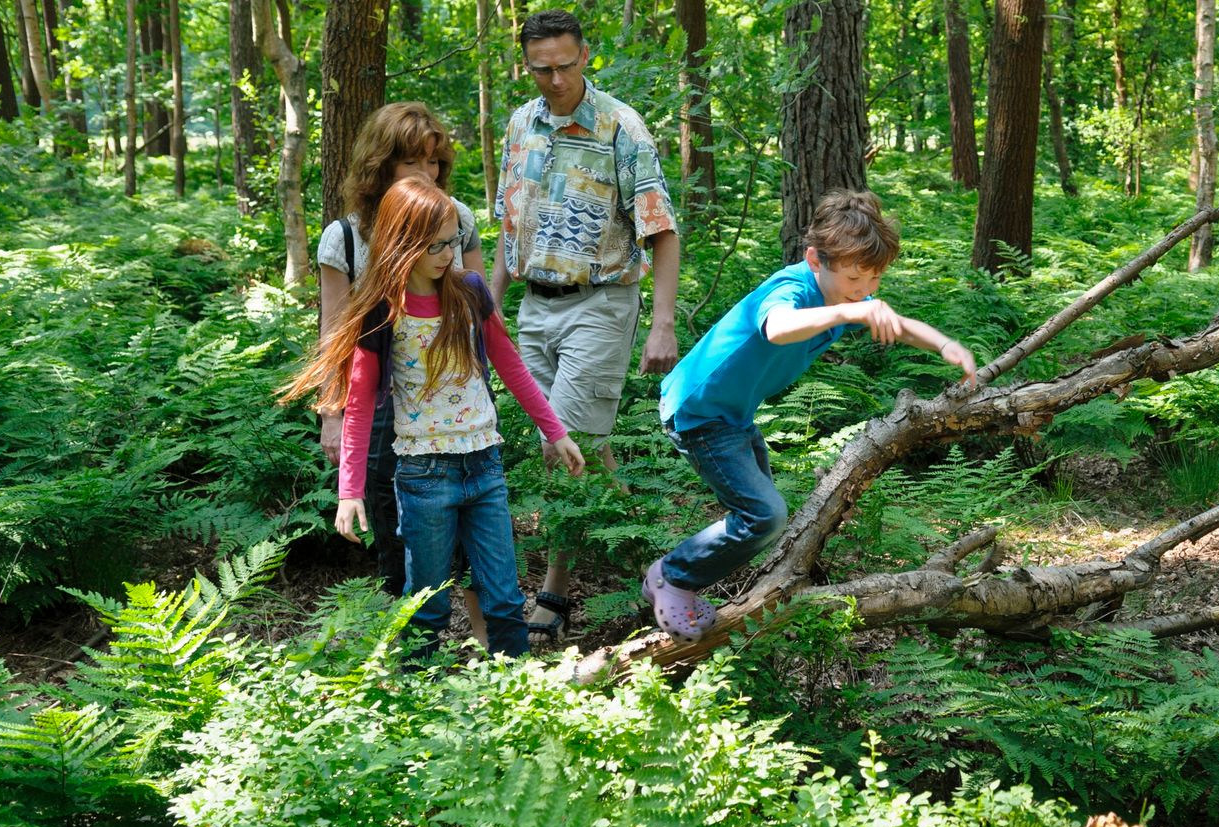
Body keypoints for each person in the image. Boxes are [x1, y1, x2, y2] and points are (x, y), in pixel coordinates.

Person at [648, 191, 977, 641]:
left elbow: (894, 324)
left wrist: (943, 345)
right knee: (763, 517)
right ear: (815, 259)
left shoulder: (843, 296)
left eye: (874, 280)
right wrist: (846, 308)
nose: (863, 290)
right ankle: (673, 577)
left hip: (733, 414)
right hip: (699, 411)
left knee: (762, 521)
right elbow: (776, 327)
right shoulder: (794, 289)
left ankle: (695, 583)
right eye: (854, 278)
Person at [283, 177, 586, 658]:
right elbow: (360, 406)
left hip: (484, 464)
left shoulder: (469, 291)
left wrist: (556, 431)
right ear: (402, 243)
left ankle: (519, 690)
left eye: (453, 242)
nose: (449, 254)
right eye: (436, 245)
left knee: (505, 598)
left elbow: (510, 364)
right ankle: (416, 698)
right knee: (428, 603)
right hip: (424, 475)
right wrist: (349, 491)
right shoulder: (382, 311)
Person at [492, 9, 683, 646]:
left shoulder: (620, 127)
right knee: (587, 450)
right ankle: (649, 558)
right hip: (532, 306)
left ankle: (553, 590)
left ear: (585, 56)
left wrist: (661, 325)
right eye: (541, 68)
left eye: (565, 66)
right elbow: (506, 227)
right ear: (527, 64)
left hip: (601, 302)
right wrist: (485, 309)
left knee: (561, 442)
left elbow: (661, 230)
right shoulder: (520, 123)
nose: (554, 79)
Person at [316, 102, 492, 643]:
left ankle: (496, 656)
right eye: (411, 162)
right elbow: (333, 335)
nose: (427, 174)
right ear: (380, 166)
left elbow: (480, 317)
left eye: (434, 162)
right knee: (396, 536)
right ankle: (412, 660)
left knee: (475, 530)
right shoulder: (345, 238)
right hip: (379, 407)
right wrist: (331, 413)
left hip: (452, 399)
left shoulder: (455, 219)